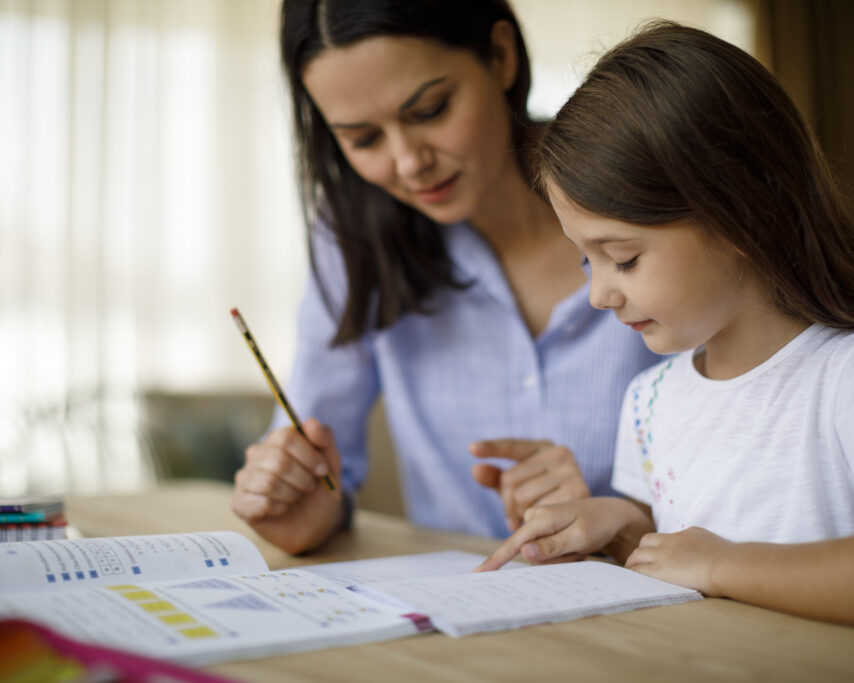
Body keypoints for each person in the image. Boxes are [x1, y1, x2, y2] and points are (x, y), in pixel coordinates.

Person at [477, 21, 854, 636]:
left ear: (739, 214)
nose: (599, 294)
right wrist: (612, 523)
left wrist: (720, 561)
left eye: (623, 257)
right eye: (585, 259)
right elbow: (667, 553)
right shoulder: (649, 401)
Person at [230, 0, 659, 554]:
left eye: (430, 110)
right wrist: (308, 505)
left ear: (500, 56)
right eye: (363, 139)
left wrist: (629, 512)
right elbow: (317, 449)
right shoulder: (355, 241)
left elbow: (753, 470)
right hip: (457, 614)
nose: (409, 162)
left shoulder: (644, 191)